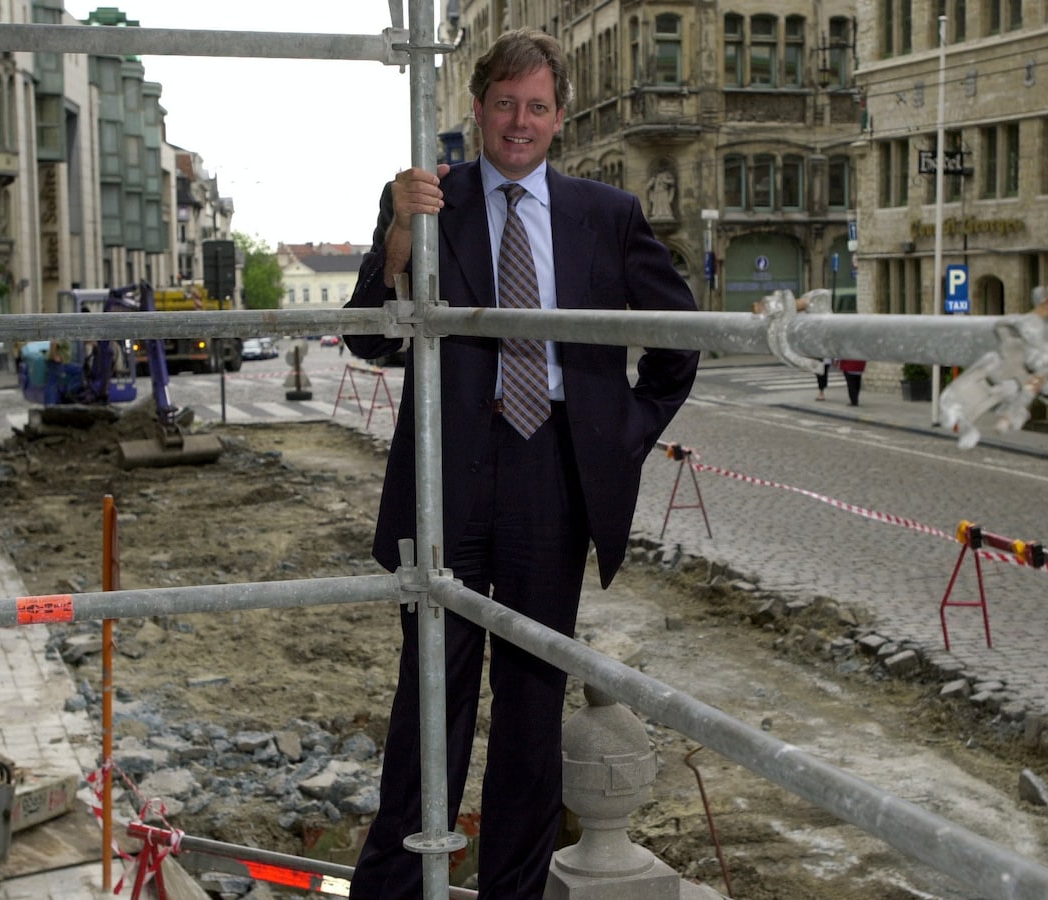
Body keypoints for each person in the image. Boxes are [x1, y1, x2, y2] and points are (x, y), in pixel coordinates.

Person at [342, 27, 699, 899]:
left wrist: (617, 438)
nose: (518, 122)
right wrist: (397, 246)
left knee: (533, 707)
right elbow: (365, 338)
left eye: (536, 106)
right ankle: (392, 890)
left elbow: (678, 340)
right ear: (477, 110)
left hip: (552, 478)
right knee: (433, 697)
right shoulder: (428, 200)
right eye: (503, 103)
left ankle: (512, 890)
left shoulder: (603, 216)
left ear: (559, 118)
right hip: (448, 478)